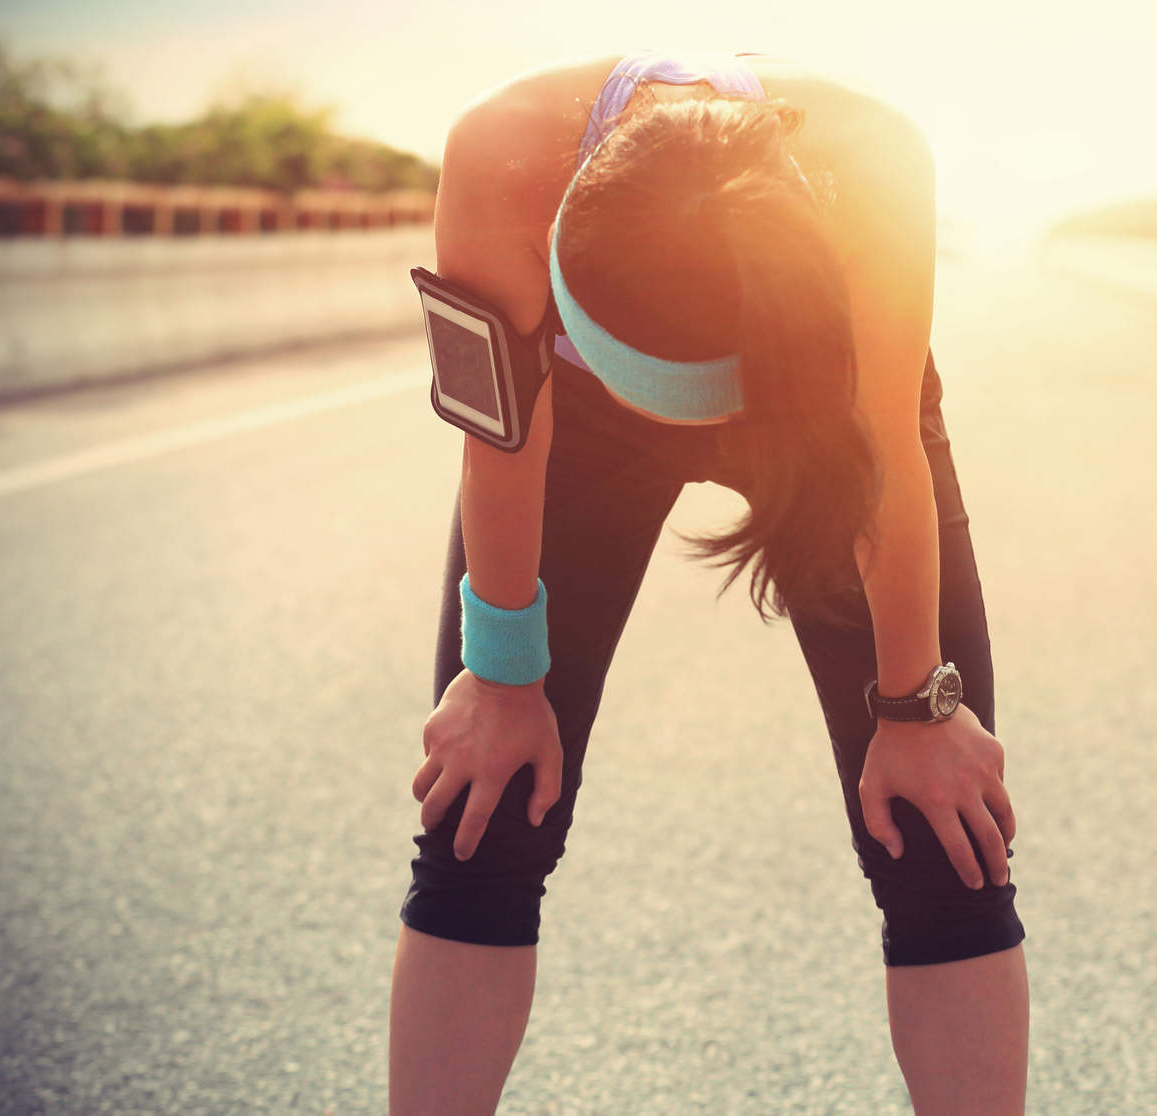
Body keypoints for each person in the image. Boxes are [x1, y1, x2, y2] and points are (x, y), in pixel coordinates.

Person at [386, 49, 1029, 1115]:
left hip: (816, 404)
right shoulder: (503, 155)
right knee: (484, 805)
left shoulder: (868, 167)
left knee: (942, 829)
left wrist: (917, 707)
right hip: (577, 427)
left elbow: (884, 453)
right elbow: (499, 438)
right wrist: (501, 685)